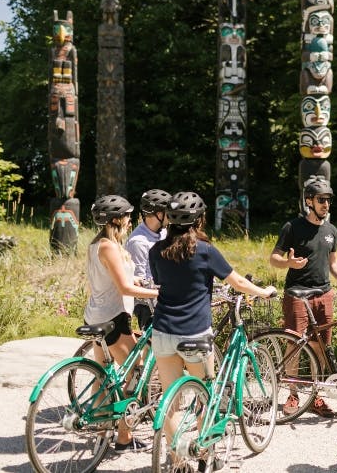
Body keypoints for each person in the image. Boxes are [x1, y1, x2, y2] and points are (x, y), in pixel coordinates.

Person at [149, 191, 276, 411]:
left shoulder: (156, 251)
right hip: (194, 332)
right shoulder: (205, 251)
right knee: (205, 399)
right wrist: (264, 292)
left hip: (162, 331)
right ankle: (203, 445)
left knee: (169, 401)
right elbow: (239, 282)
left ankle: (172, 446)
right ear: (199, 220)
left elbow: (163, 282)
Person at [269, 177, 337, 418]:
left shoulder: (331, 230)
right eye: (321, 200)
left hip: (324, 294)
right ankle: (292, 393)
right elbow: (273, 258)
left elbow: (334, 263)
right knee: (294, 345)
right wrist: (288, 262)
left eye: (328, 200)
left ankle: (315, 396)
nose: (326, 205)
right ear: (309, 201)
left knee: (319, 347)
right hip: (297, 294)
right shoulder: (292, 227)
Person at [84, 194, 159, 453]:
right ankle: (124, 437)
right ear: (116, 219)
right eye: (127, 216)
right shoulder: (109, 247)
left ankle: (102, 429)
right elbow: (125, 288)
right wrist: (160, 293)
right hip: (113, 317)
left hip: (97, 314)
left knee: (103, 374)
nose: (130, 220)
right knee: (136, 372)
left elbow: (117, 278)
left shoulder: (97, 245)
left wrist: (141, 283)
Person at [126, 188, 171, 330]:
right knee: (152, 349)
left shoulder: (163, 232)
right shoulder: (139, 242)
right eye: (167, 213)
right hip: (147, 305)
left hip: (163, 299)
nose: (171, 216)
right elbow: (139, 280)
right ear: (159, 214)